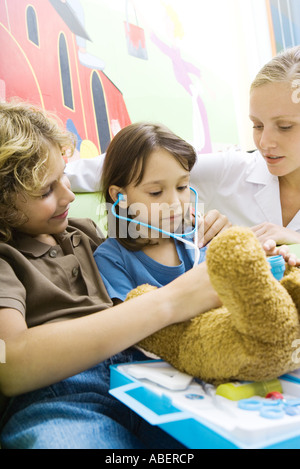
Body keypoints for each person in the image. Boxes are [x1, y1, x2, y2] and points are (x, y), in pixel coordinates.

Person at [0, 100, 222, 450]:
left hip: (151, 382)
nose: (69, 195)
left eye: (64, 176)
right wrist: (171, 301)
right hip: (67, 397)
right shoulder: (5, 259)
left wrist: (213, 234)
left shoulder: (84, 234)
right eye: (46, 190)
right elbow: (9, 360)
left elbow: (151, 233)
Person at [66, 46, 300, 247]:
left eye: (285, 126)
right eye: (257, 125)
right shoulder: (232, 170)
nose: (265, 142)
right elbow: (129, 165)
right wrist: (48, 180)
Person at [93, 122, 227, 303]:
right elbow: (133, 323)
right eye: (156, 192)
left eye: (182, 187)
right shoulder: (111, 259)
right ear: (120, 196)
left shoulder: (199, 236)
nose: (174, 203)